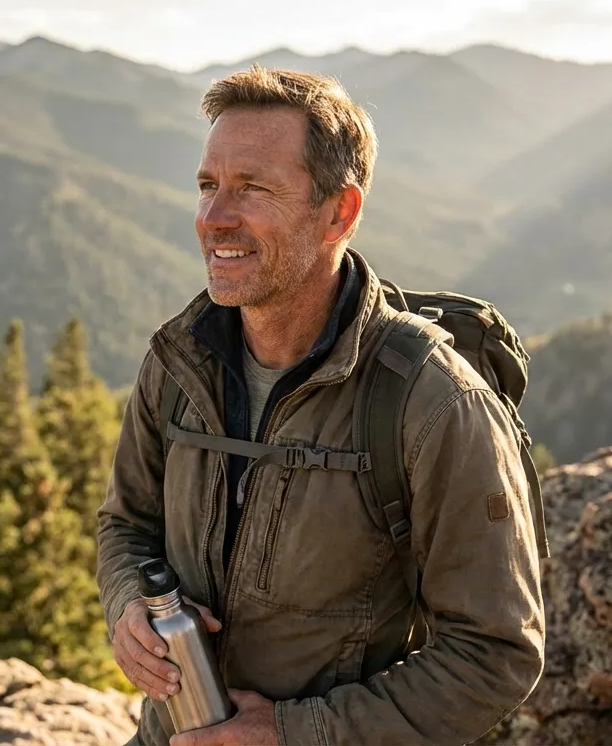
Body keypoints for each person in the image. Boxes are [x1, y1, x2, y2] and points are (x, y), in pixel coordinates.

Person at [95, 65, 546, 746]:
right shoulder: (178, 362)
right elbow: (125, 523)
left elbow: (497, 652)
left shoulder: (429, 399)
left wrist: (292, 732)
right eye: (208, 185)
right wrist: (128, 602)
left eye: (252, 188)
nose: (214, 218)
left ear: (340, 211)